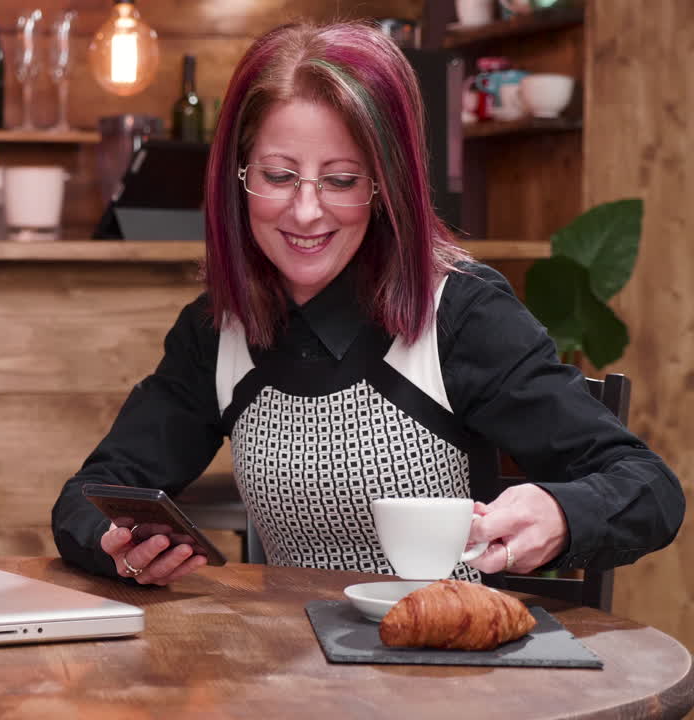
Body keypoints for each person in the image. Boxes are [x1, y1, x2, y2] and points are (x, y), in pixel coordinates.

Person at [51, 21, 684, 586]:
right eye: (277, 175)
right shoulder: (218, 330)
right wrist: (115, 544)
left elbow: (648, 487)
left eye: (342, 180)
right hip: (288, 680)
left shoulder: (461, 314)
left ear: (386, 186)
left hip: (450, 680)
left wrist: (561, 513)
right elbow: (91, 495)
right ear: (238, 177)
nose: (306, 210)